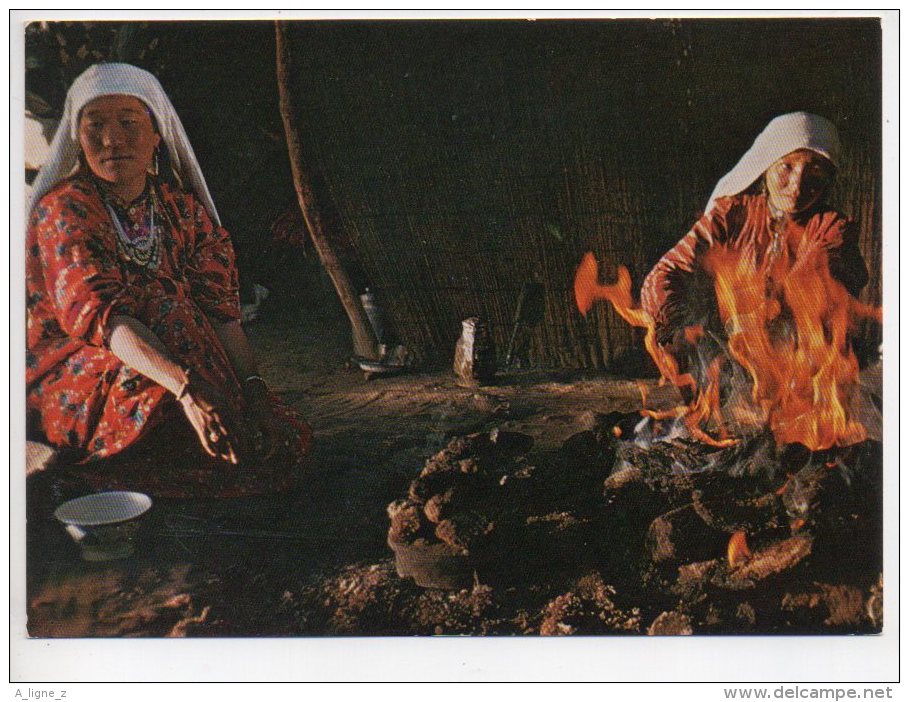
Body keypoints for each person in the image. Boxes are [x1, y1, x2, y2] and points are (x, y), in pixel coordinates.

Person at [26, 63, 311, 500]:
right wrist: (186, 388)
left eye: (128, 122)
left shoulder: (180, 209)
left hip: (178, 367)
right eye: (95, 124)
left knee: (273, 435)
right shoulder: (66, 210)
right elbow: (107, 319)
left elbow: (220, 313)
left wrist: (254, 393)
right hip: (77, 371)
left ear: (157, 133)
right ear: (78, 139)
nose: (111, 139)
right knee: (169, 314)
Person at [640, 112, 869, 396]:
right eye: (786, 166)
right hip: (724, 360)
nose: (797, 185)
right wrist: (677, 323)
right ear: (765, 166)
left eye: (816, 172)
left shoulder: (832, 227)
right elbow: (667, 272)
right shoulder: (729, 215)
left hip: (803, 367)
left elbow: (814, 282)